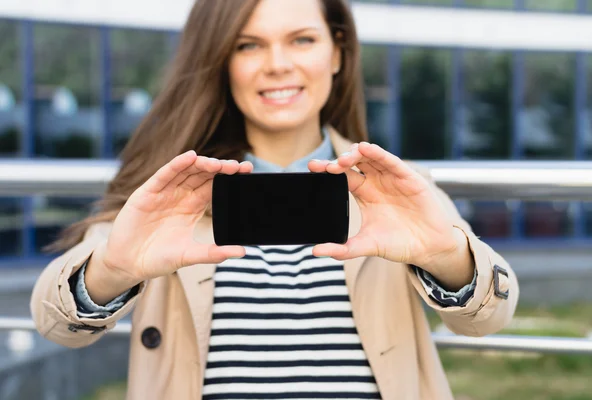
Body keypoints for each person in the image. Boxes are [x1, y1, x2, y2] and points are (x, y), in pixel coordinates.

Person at [30, 0, 519, 399]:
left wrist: (447, 257)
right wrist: (114, 270)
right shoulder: (173, 192)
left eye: (302, 39)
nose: (278, 64)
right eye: (248, 45)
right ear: (222, 61)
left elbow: (492, 316)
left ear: (337, 52)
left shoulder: (394, 187)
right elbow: (56, 324)